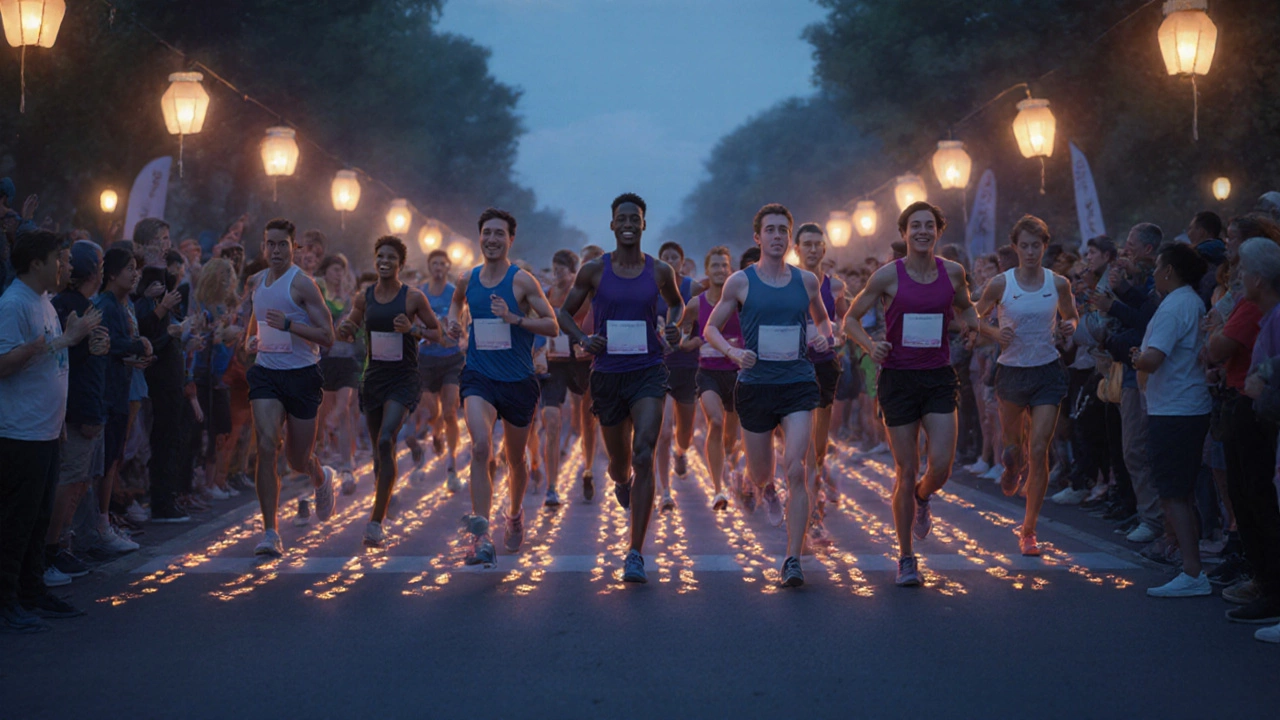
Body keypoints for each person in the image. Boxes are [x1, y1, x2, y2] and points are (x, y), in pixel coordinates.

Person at [843, 202, 981, 587]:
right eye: (915, 226)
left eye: (929, 226)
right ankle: (906, 557)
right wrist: (871, 347)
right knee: (905, 469)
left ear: (939, 231)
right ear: (904, 233)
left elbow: (967, 310)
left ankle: (923, 496)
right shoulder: (887, 276)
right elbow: (850, 319)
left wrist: (971, 327)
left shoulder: (953, 273)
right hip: (899, 380)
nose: (922, 231)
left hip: (938, 376)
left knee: (940, 466)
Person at [704, 203, 835, 588]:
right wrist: (732, 353)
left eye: (783, 230)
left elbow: (822, 318)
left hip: (797, 383)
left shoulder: (806, 281)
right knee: (762, 474)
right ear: (758, 237)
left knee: (798, 467)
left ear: (789, 238)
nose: (777, 236)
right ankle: (764, 486)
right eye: (770, 230)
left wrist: (821, 336)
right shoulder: (740, 282)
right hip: (756, 386)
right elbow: (712, 328)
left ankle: (792, 558)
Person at [556, 193, 685, 584]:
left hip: (647, 369)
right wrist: (582, 337)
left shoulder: (660, 271)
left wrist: (673, 327)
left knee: (644, 451)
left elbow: (676, 305)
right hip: (608, 373)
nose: (629, 223)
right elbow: (563, 313)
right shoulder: (594, 271)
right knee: (619, 462)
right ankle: (621, 481)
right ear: (612, 225)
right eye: (622, 217)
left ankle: (635, 553)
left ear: (644, 224)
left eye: (636, 217)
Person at [0, 231, 102, 632]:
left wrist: (70, 341)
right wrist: (62, 339)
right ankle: (7, 599)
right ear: (36, 263)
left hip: (45, 429)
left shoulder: (43, 302)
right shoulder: (13, 304)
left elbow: (54, 359)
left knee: (39, 519)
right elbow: (4, 363)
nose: (66, 266)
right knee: (16, 520)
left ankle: (32, 590)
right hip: (18, 432)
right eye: (59, 259)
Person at [448, 208, 558, 567]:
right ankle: (481, 537)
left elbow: (552, 326)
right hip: (479, 375)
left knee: (516, 460)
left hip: (518, 380)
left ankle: (513, 514)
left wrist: (515, 319)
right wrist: (452, 323)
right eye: (486, 233)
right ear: (479, 237)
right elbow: (455, 304)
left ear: (511, 239)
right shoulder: (468, 279)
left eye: (500, 234)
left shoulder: (522, 281)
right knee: (481, 447)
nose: (492, 239)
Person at [975, 216, 1078, 556]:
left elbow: (1070, 314)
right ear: (1016, 248)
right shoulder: (1001, 284)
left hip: (1047, 372)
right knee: (1014, 449)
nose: (1031, 251)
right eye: (1025, 245)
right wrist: (994, 332)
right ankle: (1009, 466)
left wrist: (1069, 327)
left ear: (1045, 247)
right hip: (1012, 373)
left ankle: (1029, 530)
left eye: (1037, 245)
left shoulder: (1058, 282)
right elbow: (974, 319)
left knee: (1039, 449)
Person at [242, 219, 338, 558]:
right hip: (267, 372)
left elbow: (328, 336)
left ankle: (319, 475)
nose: (277, 250)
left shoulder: (303, 285)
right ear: (263, 247)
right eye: (271, 244)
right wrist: (251, 341)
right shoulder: (255, 281)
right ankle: (270, 532)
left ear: (293, 247)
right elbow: (254, 325)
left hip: (302, 375)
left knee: (297, 459)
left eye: (283, 244)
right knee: (267, 445)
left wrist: (290, 325)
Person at [337, 236, 441, 547]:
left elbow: (437, 334)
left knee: (386, 438)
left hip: (403, 377)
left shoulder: (413, 298)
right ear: (375, 259)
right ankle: (384, 494)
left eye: (391, 257)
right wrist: (345, 328)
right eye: (380, 255)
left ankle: (375, 522)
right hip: (374, 378)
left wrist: (413, 330)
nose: (384, 261)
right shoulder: (364, 297)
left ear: (401, 264)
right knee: (379, 453)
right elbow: (350, 327)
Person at [1133, 243, 1212, 597]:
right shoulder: (1192, 301)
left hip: (1175, 408)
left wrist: (1135, 356)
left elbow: (1153, 359)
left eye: (1158, 267)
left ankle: (1193, 572)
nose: (1153, 273)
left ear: (1169, 271)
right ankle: (1190, 566)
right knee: (1180, 491)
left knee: (1174, 494)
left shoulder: (1174, 305)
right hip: (1187, 404)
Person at [45, 241, 110, 585]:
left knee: (79, 480)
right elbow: (62, 361)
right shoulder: (65, 306)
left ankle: (62, 544)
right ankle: (51, 549)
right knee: (69, 480)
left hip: (86, 404)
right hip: (74, 408)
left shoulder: (81, 305)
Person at [795, 222, 849, 537]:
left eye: (818, 244)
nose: (813, 249)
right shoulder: (785, 283)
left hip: (824, 366)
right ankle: (804, 507)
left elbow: (844, 322)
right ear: (797, 249)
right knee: (795, 446)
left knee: (816, 448)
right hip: (791, 369)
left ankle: (814, 514)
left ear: (824, 249)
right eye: (807, 244)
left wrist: (835, 336)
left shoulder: (836, 286)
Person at [679, 245, 741, 511]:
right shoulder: (696, 304)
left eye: (724, 265)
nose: (719, 270)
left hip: (738, 372)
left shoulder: (742, 301)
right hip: (708, 373)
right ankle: (718, 489)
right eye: (714, 265)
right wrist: (692, 341)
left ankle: (727, 457)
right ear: (707, 270)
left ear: (730, 270)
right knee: (715, 421)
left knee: (731, 435)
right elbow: (682, 337)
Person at [540, 249, 592, 507]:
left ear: (574, 273)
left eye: (562, 271)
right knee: (551, 419)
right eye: (554, 270)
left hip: (582, 362)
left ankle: (588, 469)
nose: (557, 276)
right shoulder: (546, 296)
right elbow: (536, 323)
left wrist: (587, 339)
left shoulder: (585, 295)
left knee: (586, 422)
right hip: (555, 363)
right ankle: (551, 487)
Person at [655, 241, 699, 511]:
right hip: (659, 365)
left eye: (675, 257)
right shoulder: (651, 289)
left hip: (687, 364)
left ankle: (681, 453)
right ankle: (665, 491)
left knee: (684, 432)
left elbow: (706, 318)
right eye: (666, 257)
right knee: (663, 431)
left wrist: (692, 340)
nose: (671, 261)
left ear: (682, 262)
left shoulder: (691, 287)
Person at [417, 249, 465, 492]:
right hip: (425, 359)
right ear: (429, 266)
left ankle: (452, 464)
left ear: (448, 267)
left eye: (442, 263)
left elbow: (463, 322)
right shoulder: (420, 293)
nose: (438, 267)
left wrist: (460, 335)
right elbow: (414, 324)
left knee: (450, 411)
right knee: (432, 411)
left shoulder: (454, 293)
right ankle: (436, 433)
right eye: (434, 263)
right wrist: (421, 334)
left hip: (451, 358)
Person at [316, 254, 360, 496]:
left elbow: (357, 328)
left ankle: (346, 464)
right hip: (325, 358)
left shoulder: (350, 300)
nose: (338, 275)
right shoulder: (320, 299)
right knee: (325, 413)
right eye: (334, 270)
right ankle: (329, 457)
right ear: (326, 273)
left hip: (347, 360)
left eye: (341, 271)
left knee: (343, 409)